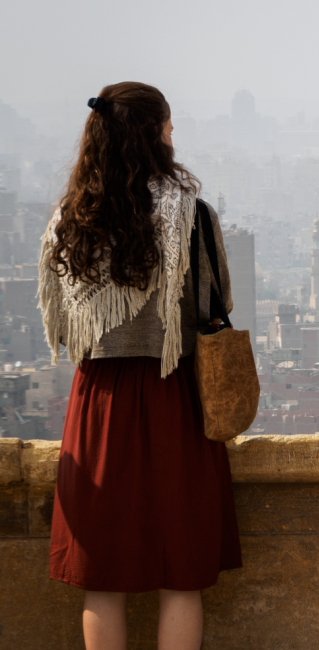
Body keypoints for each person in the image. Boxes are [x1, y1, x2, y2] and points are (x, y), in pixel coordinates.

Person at [39, 82, 240, 650]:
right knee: (181, 576)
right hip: (174, 396)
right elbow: (214, 300)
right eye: (170, 129)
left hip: (99, 405)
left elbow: (59, 319)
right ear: (153, 135)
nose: (175, 139)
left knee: (102, 580)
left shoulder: (71, 219)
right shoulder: (191, 216)